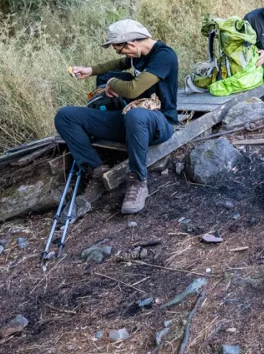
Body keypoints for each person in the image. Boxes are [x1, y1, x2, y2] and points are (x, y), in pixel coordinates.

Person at [56, 19, 179, 214]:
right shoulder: (136, 55)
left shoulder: (164, 56)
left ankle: (138, 181)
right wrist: (91, 71)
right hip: (130, 120)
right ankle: (97, 172)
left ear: (131, 44)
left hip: (159, 122)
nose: (120, 54)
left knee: (136, 115)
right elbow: (118, 63)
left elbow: (133, 90)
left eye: (120, 49)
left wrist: (112, 82)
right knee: (65, 116)